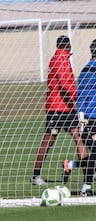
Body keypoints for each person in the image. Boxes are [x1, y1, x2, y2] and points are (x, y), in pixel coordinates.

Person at [31, 35, 88, 185]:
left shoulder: (56, 58)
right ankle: (35, 175)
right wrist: (78, 97)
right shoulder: (61, 59)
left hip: (63, 107)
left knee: (77, 137)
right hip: (59, 107)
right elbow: (65, 83)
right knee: (49, 140)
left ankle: (89, 173)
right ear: (68, 46)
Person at [68, 39, 96, 196]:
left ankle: (72, 165)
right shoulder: (91, 70)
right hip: (93, 119)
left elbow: (80, 95)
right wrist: (82, 115)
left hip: (88, 118)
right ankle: (86, 187)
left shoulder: (86, 69)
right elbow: (82, 95)